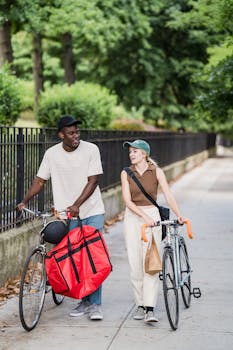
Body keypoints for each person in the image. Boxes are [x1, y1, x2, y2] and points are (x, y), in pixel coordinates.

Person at [17, 115, 105, 321]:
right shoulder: (51, 154)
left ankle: (96, 305)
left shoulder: (91, 150)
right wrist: (25, 200)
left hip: (92, 211)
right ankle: (84, 300)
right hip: (67, 216)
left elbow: (93, 181)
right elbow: (40, 181)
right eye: (71, 133)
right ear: (61, 135)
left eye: (77, 132)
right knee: (76, 259)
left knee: (91, 257)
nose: (76, 136)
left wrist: (77, 204)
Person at [121, 139, 185, 323]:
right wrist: (144, 217)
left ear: (144, 154)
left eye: (135, 151)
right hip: (133, 217)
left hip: (152, 215)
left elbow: (168, 195)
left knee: (150, 262)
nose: (131, 154)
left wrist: (179, 214)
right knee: (135, 263)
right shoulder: (126, 173)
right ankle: (140, 304)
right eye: (130, 151)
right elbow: (127, 201)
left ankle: (150, 308)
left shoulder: (156, 172)